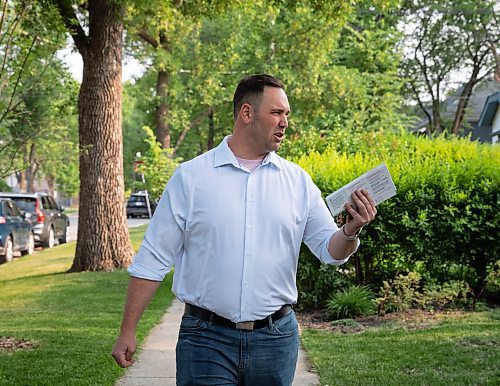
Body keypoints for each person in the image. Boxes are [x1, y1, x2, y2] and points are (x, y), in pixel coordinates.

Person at [112, 74, 377, 385]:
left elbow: (330, 251)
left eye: (286, 114)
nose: (284, 122)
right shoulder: (191, 178)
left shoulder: (297, 182)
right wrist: (128, 329)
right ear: (247, 113)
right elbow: (154, 258)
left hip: (275, 341)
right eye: (276, 113)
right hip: (205, 341)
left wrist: (350, 231)